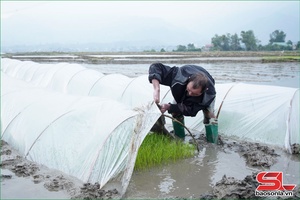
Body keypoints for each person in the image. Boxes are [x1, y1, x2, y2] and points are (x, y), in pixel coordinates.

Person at [148, 62, 217, 139]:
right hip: (182, 88)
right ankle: (179, 138)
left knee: (210, 117)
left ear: (203, 91)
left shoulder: (208, 95)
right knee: (175, 112)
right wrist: (156, 89)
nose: (190, 94)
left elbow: (190, 110)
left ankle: (212, 142)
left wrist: (168, 106)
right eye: (188, 90)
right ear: (188, 81)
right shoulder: (178, 76)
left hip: (204, 97)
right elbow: (156, 67)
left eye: (195, 94)